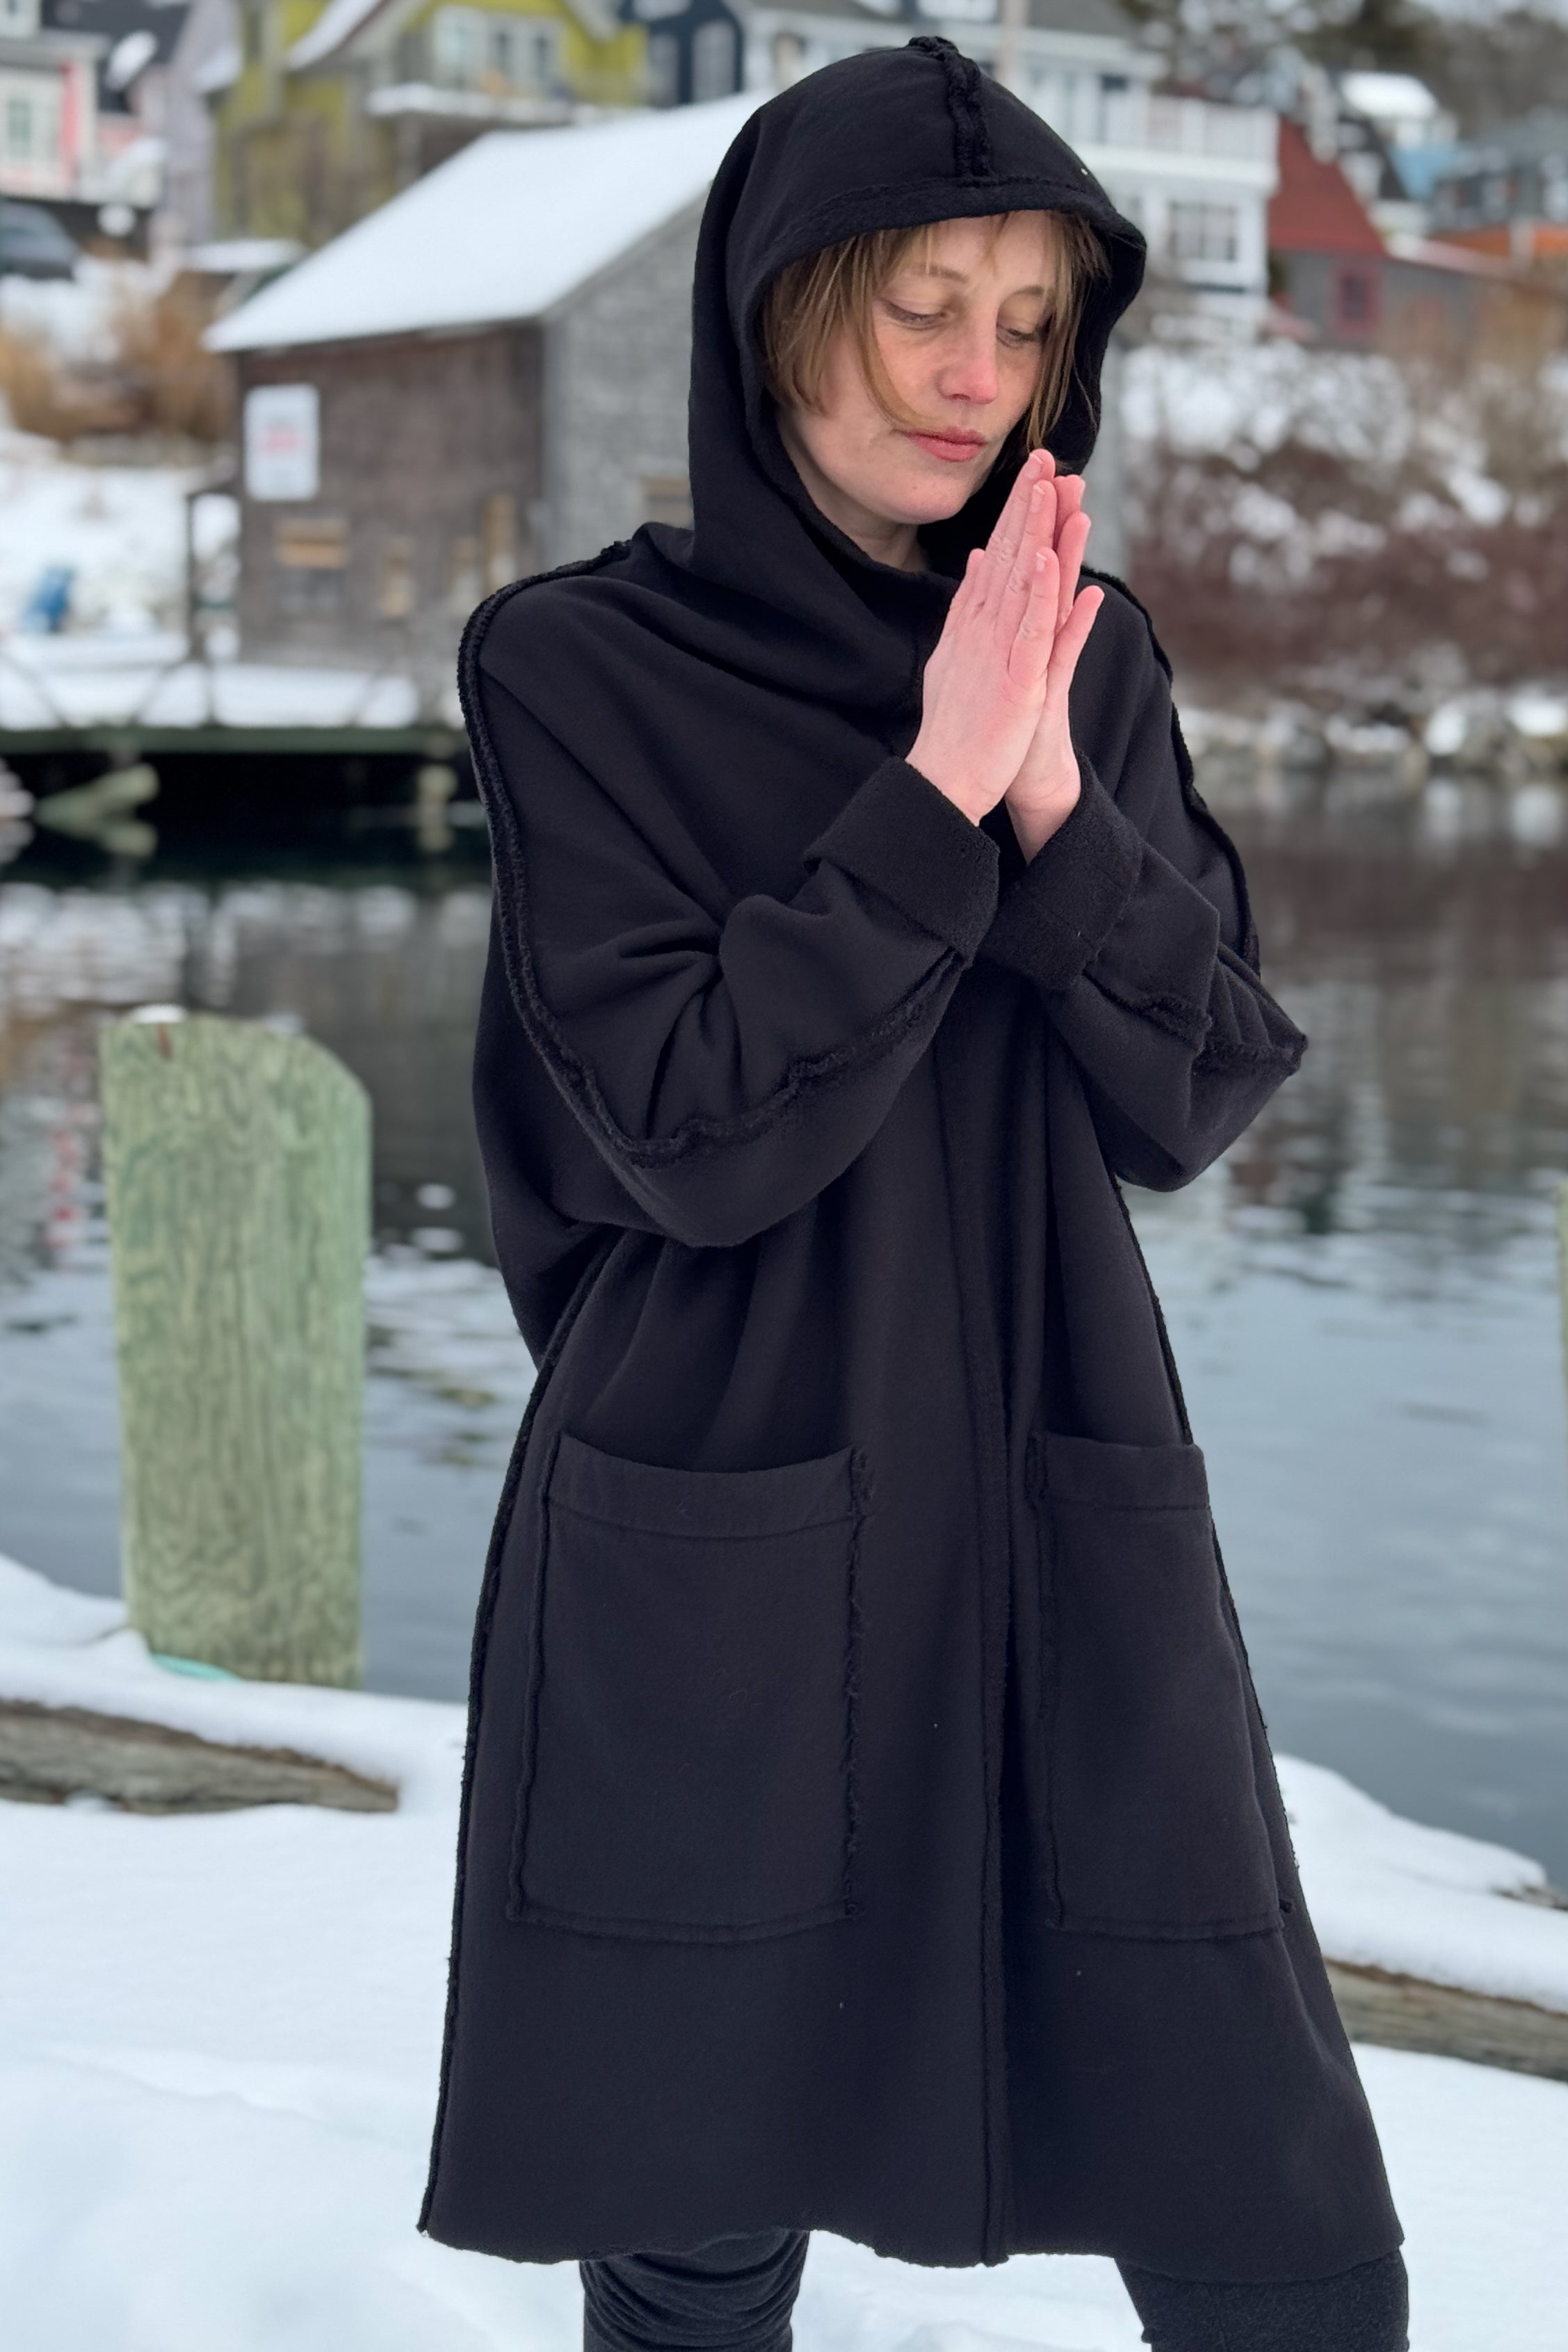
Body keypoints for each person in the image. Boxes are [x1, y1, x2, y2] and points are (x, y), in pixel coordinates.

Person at [419, 36, 1407, 2352]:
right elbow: (686, 1125)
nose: (983, 375)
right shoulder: (578, 670)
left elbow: (1199, 1085)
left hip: (1066, 1504)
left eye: (1034, 322)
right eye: (922, 309)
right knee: (693, 2220)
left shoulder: (1094, 649)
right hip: (717, 1510)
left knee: (1280, 2223)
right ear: (782, 304)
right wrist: (936, 786)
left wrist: (1055, 791)